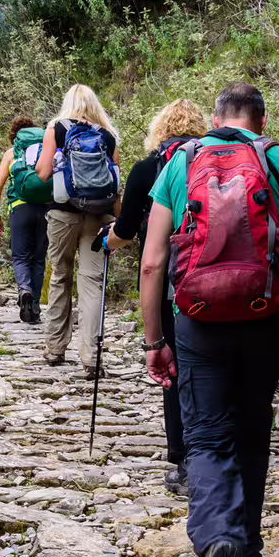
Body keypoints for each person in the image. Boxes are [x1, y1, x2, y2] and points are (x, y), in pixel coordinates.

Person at [140, 82, 279, 557]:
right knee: (252, 433)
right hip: (267, 316)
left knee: (206, 437)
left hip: (198, 319)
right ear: (261, 120)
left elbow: (152, 264)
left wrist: (155, 340)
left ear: (216, 117)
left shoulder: (182, 162)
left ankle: (218, 537)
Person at [105, 99, 206, 497]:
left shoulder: (149, 167)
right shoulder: (211, 161)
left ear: (159, 128)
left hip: (166, 279)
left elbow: (127, 228)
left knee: (173, 365)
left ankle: (182, 458)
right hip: (216, 276)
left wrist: (107, 239)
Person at [35, 84, 121, 375]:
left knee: (61, 275)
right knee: (92, 283)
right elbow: (115, 183)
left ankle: (55, 348)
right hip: (99, 216)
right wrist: (120, 223)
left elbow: (44, 172)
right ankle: (91, 357)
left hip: (63, 214)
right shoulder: (107, 135)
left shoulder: (57, 128)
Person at [0, 113, 50, 324]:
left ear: (14, 136)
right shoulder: (44, 149)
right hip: (45, 210)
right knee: (39, 259)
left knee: (21, 257)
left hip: (19, 209)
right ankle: (34, 306)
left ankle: (24, 290)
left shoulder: (11, 153)